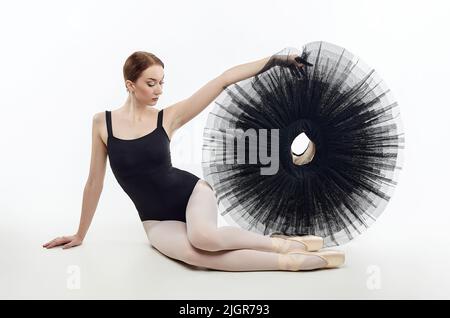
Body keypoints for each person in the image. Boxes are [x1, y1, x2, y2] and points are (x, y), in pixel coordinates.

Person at [43, 51, 345, 271]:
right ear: (129, 84)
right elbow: (94, 182)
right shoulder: (102, 124)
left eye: (162, 82)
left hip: (191, 194)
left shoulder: (168, 117)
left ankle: (285, 243)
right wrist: (80, 234)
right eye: (151, 83)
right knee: (196, 257)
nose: (159, 90)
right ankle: (290, 261)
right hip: (155, 220)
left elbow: (223, 80)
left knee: (204, 237)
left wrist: (275, 60)